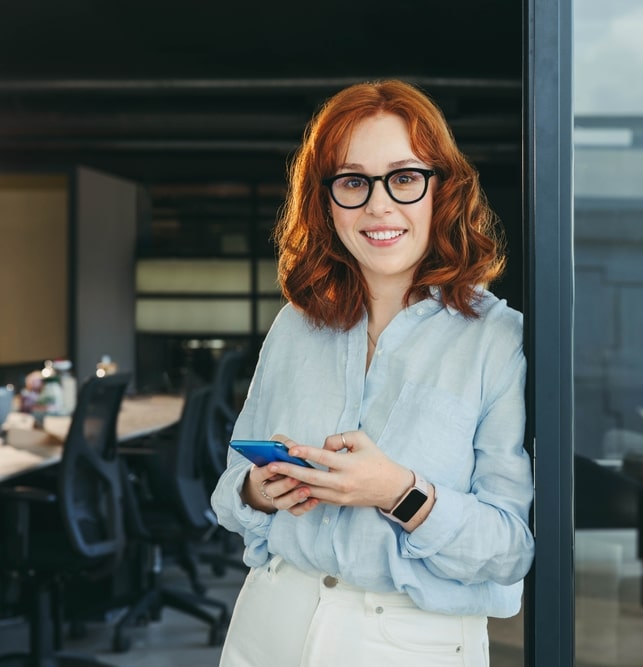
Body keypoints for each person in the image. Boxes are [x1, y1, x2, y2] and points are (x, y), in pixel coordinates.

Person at [210, 79, 535, 666]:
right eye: (353, 181)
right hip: (272, 621)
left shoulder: (497, 338)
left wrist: (399, 493)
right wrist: (261, 492)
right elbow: (230, 492)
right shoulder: (294, 326)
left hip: (410, 638)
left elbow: (509, 550)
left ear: (443, 190)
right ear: (327, 199)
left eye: (405, 178)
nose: (378, 206)